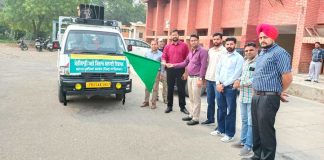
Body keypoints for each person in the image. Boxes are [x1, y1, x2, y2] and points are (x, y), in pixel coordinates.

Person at [244, 24, 293, 160]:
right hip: (257, 96)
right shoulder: (263, 53)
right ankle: (257, 155)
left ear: (273, 37)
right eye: (260, 37)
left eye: (265, 37)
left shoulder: (280, 53)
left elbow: (287, 77)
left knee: (266, 130)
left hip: (268, 98)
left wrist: (278, 91)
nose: (262, 40)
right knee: (257, 128)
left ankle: (267, 158)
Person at [166, 34, 208, 125]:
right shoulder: (191, 51)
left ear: (198, 40)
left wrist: (201, 78)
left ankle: (196, 118)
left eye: (195, 40)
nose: (193, 42)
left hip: (197, 78)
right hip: (190, 77)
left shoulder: (203, 51)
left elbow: (203, 66)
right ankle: (191, 115)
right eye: (191, 41)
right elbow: (185, 62)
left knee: (196, 99)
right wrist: (173, 65)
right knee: (191, 98)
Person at [213, 37, 244, 142]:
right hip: (219, 86)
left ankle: (230, 134)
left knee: (230, 110)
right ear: (225, 45)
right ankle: (220, 129)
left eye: (231, 44)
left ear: (235, 45)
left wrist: (223, 85)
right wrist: (218, 83)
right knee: (220, 108)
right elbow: (217, 70)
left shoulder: (239, 58)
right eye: (227, 44)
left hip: (230, 88)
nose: (229, 46)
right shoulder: (222, 56)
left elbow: (236, 74)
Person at [232, 42, 258, 156]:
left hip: (252, 97)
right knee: (244, 121)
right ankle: (243, 141)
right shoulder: (245, 61)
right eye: (246, 50)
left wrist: (240, 83)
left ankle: (249, 146)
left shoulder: (259, 63)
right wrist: (238, 80)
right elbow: (242, 75)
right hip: (242, 96)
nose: (248, 52)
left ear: (256, 50)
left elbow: (255, 80)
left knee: (251, 123)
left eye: (251, 50)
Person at [162, 29, 190, 114]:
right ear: (171, 36)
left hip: (180, 69)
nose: (174, 36)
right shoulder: (167, 46)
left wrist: (186, 72)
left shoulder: (184, 45)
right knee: (170, 88)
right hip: (170, 69)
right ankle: (169, 106)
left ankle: (182, 107)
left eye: (176, 35)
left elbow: (187, 59)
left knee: (181, 89)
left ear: (178, 36)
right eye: (173, 35)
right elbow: (164, 57)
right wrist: (164, 62)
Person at [201, 32, 227, 125]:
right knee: (209, 101)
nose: (216, 41)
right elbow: (207, 63)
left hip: (218, 81)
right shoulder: (210, 50)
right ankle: (210, 119)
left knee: (220, 103)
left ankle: (220, 125)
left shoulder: (225, 51)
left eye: (217, 39)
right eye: (214, 39)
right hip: (209, 79)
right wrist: (204, 77)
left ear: (221, 40)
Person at [140, 40, 163, 109]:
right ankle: (146, 102)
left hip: (156, 72)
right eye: (152, 44)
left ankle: (153, 103)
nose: (153, 46)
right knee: (147, 87)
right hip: (148, 72)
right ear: (150, 45)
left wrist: (161, 73)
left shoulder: (161, 54)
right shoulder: (147, 53)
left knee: (155, 88)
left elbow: (162, 65)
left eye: (155, 44)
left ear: (157, 45)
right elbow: (144, 62)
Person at [158, 38, 168, 104]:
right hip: (156, 70)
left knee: (165, 85)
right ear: (158, 42)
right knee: (155, 85)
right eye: (160, 41)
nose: (162, 43)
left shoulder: (166, 50)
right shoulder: (155, 50)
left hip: (164, 70)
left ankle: (165, 99)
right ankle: (156, 97)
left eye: (163, 41)